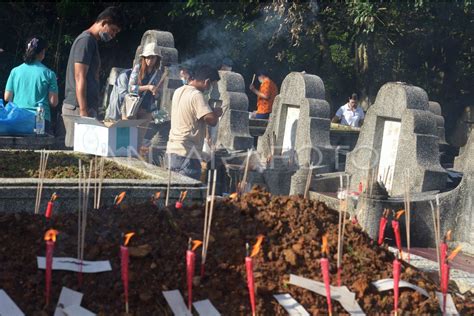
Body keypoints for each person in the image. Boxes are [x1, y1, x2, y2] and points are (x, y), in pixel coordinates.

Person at [62, 6, 125, 147]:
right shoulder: (85, 41)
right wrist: (84, 112)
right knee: (77, 155)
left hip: (85, 107)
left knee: (87, 154)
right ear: (104, 22)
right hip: (77, 108)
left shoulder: (92, 42)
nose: (113, 35)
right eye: (113, 30)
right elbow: (80, 77)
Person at [166, 65, 223, 180]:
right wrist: (216, 113)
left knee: (172, 191)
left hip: (172, 149)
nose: (210, 88)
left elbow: (191, 115)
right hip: (187, 153)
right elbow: (211, 120)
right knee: (186, 192)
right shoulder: (197, 95)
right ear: (207, 82)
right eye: (212, 85)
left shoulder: (179, 90)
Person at [4, 37, 58, 134]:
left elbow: (7, 97)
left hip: (17, 119)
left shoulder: (15, 71)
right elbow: (53, 102)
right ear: (42, 52)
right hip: (40, 121)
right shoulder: (49, 74)